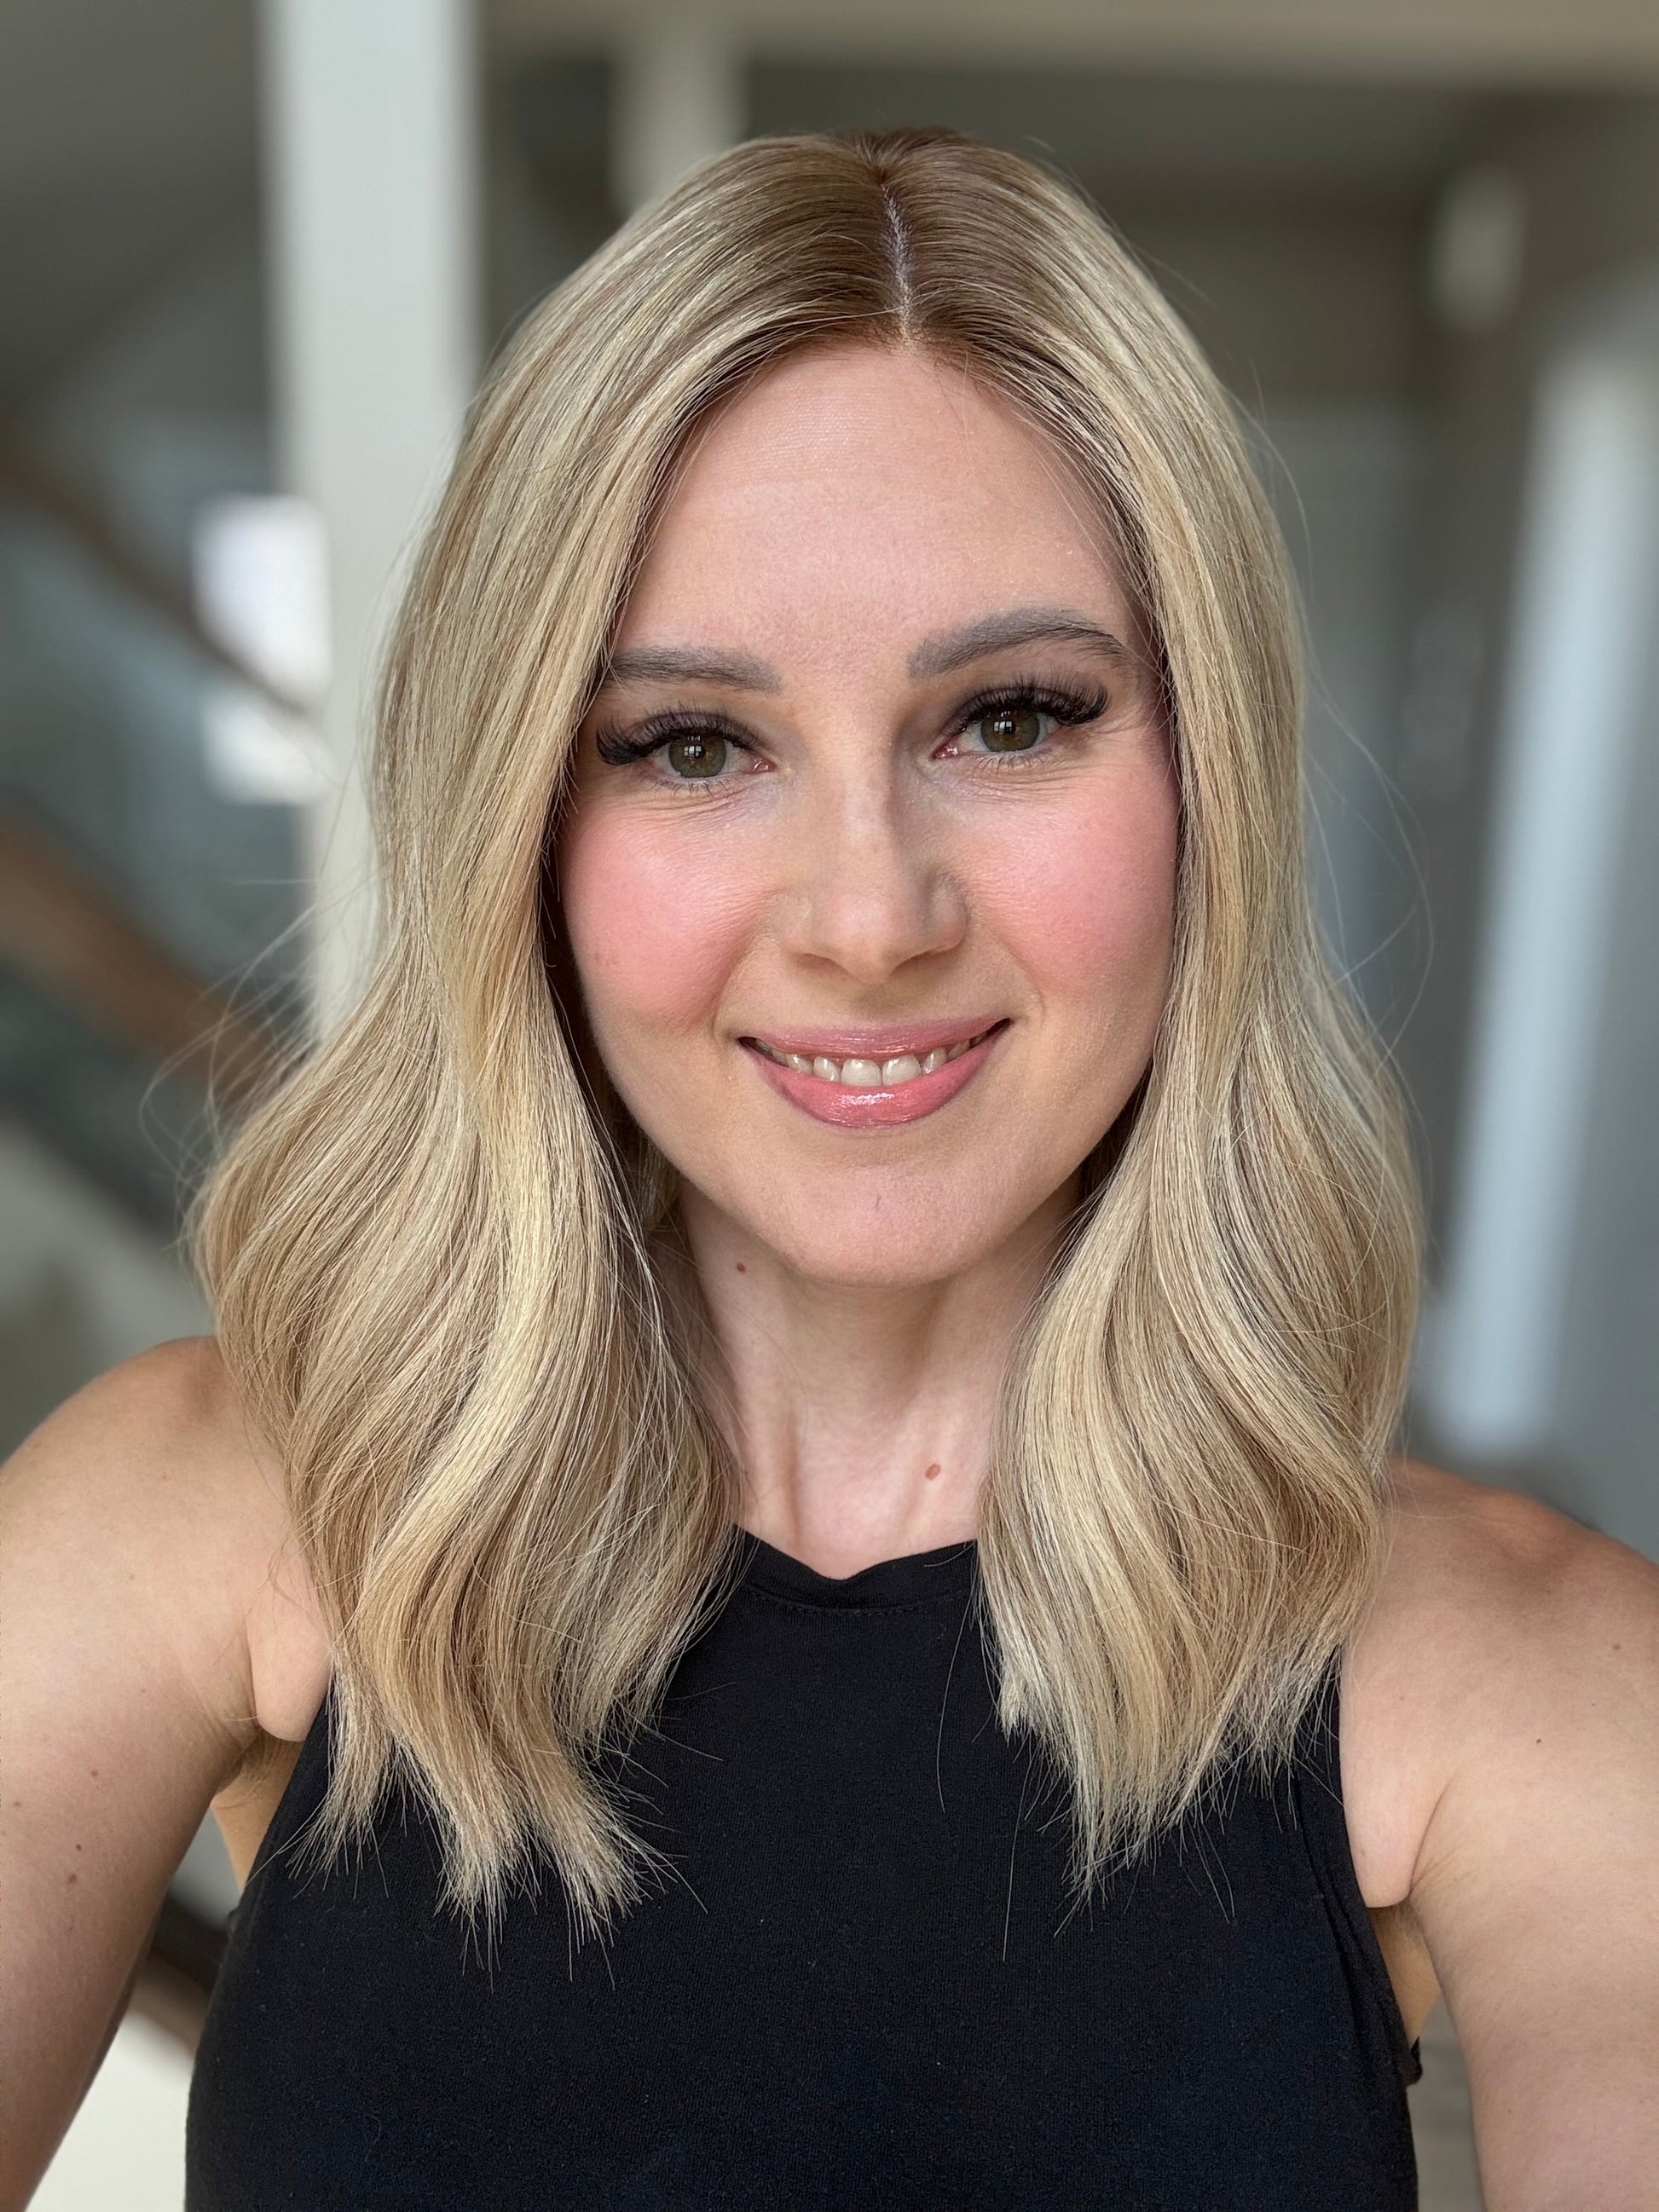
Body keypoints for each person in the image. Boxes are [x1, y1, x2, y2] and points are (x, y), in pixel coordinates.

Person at [3, 126, 1656, 2210]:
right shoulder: (191, 1517)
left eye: (1012, 717)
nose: (869, 917)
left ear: (1208, 785)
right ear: (525, 833)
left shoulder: (1543, 1678)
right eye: (693, 743)